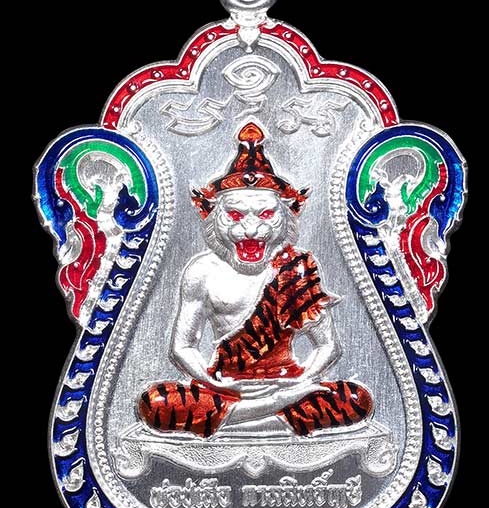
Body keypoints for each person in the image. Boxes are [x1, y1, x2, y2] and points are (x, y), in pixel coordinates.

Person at [138, 123, 373, 437]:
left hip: (287, 382)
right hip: (225, 386)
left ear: (285, 218)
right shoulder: (201, 270)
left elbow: (327, 346)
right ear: (214, 218)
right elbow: (183, 346)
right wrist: (213, 383)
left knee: (356, 399)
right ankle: (268, 414)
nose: (250, 229)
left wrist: (301, 381)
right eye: (235, 215)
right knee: (155, 403)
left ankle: (237, 419)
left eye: (265, 214)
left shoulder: (295, 269)